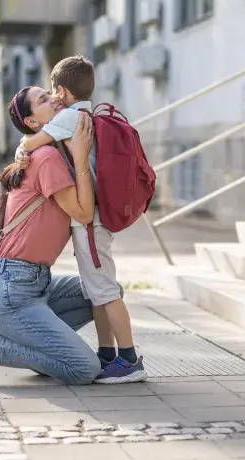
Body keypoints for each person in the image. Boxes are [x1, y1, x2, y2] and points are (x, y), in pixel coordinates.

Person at [14, 55, 146, 384]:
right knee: (96, 290)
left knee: (106, 290)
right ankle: (107, 354)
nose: (51, 97)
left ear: (61, 90)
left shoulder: (71, 117)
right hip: (94, 221)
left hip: (91, 224)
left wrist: (21, 147)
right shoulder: (86, 112)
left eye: (51, 92)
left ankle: (130, 359)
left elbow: (34, 141)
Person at [0, 85, 101, 386]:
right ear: (31, 121)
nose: (54, 99)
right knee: (85, 368)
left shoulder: (42, 150)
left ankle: (47, 352)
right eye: (43, 99)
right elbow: (82, 213)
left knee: (102, 291)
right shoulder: (47, 158)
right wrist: (81, 159)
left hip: (35, 283)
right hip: (10, 290)